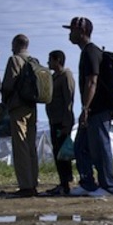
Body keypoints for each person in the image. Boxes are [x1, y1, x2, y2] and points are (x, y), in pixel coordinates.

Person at [63, 16, 113, 197]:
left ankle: (109, 186)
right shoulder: (86, 52)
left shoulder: (91, 52)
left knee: (100, 147)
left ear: (82, 32)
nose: (70, 34)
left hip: (98, 109)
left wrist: (85, 108)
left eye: (72, 30)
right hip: (92, 109)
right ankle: (88, 183)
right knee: (81, 146)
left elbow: (92, 81)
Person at [0, 34, 38, 198]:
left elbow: (8, 84)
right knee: (31, 146)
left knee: (20, 146)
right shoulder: (34, 61)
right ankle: (33, 181)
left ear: (16, 44)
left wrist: (5, 102)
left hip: (18, 106)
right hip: (32, 107)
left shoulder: (15, 60)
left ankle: (25, 185)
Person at [45, 50, 75, 196]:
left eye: (50, 60)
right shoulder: (54, 77)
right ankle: (63, 182)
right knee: (58, 153)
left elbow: (69, 99)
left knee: (64, 155)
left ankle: (66, 184)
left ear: (57, 60)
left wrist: (66, 123)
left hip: (62, 121)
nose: (48, 63)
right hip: (54, 120)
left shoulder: (65, 76)